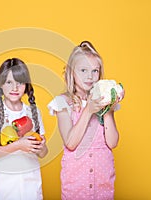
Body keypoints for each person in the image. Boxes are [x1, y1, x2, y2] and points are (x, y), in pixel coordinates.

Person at [47, 41, 124, 200]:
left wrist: (108, 107)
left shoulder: (103, 102)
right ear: (71, 73)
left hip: (103, 182)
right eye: (83, 70)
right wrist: (88, 110)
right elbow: (70, 143)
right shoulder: (63, 103)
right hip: (76, 185)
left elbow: (113, 142)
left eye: (95, 71)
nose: (90, 76)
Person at [0, 58, 48, 200]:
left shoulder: (34, 112)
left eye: (20, 82)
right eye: (9, 82)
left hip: (31, 187)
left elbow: (44, 153)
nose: (15, 88)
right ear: (1, 85)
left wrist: (41, 147)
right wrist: (19, 145)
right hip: (5, 188)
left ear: (27, 86)